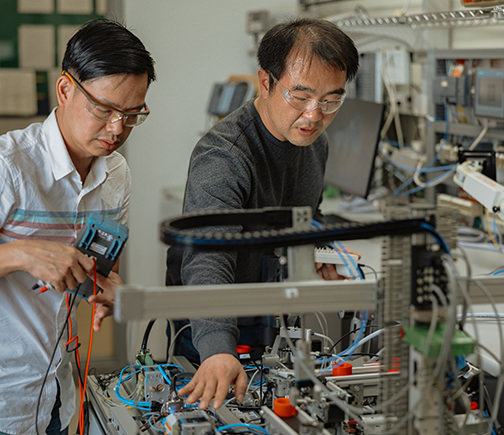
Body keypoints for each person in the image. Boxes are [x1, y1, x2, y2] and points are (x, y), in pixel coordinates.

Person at [166, 17, 358, 411]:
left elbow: (306, 214)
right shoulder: (224, 155)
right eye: (300, 96)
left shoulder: (312, 144)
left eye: (331, 100)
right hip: (211, 321)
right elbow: (207, 257)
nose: (314, 115)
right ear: (266, 82)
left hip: (272, 317)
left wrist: (319, 250)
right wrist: (217, 347)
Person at [0, 19, 155, 435]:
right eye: (104, 110)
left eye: (132, 114)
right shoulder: (9, 166)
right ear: (66, 89)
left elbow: (101, 265)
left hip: (55, 394)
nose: (117, 129)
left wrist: (103, 291)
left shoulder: (116, 173)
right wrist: (21, 253)